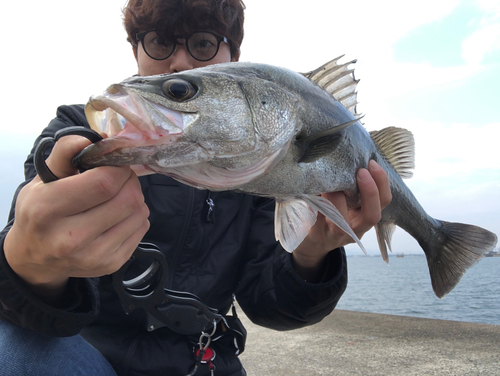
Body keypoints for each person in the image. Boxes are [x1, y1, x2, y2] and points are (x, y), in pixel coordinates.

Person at [0, 0, 392, 375]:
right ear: (135, 49)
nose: (179, 61)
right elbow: (18, 288)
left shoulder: (264, 168)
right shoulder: (79, 132)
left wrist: (312, 251)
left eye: (203, 44)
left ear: (235, 60)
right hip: (84, 357)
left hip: (203, 364)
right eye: (158, 41)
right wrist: (29, 263)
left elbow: (269, 306)